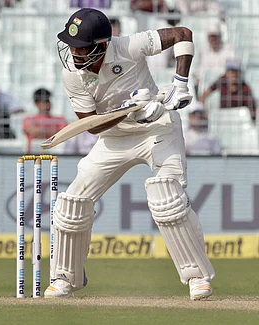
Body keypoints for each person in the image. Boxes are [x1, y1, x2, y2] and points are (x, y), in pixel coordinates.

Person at [45, 8, 214, 301]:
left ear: (101, 45)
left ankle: (197, 278)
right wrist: (131, 111)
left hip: (158, 128)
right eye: (71, 46)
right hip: (113, 139)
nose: (74, 53)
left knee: (167, 198)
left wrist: (179, 84)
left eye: (81, 47)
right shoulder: (72, 74)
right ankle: (65, 278)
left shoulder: (128, 45)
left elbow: (183, 34)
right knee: (71, 204)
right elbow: (92, 125)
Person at [193, 22, 236, 94]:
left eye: (215, 36)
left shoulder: (229, 49)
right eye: (211, 36)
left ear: (220, 36)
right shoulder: (203, 50)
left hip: (223, 85)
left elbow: (232, 70)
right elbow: (199, 70)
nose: (213, 39)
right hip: (206, 85)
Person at [22, 88, 68, 153]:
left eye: (48, 100)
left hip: (55, 155)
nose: (47, 104)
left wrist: (41, 130)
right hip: (33, 155)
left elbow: (65, 134)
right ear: (36, 103)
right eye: (44, 101)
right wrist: (54, 131)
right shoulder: (28, 118)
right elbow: (33, 132)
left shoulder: (60, 119)